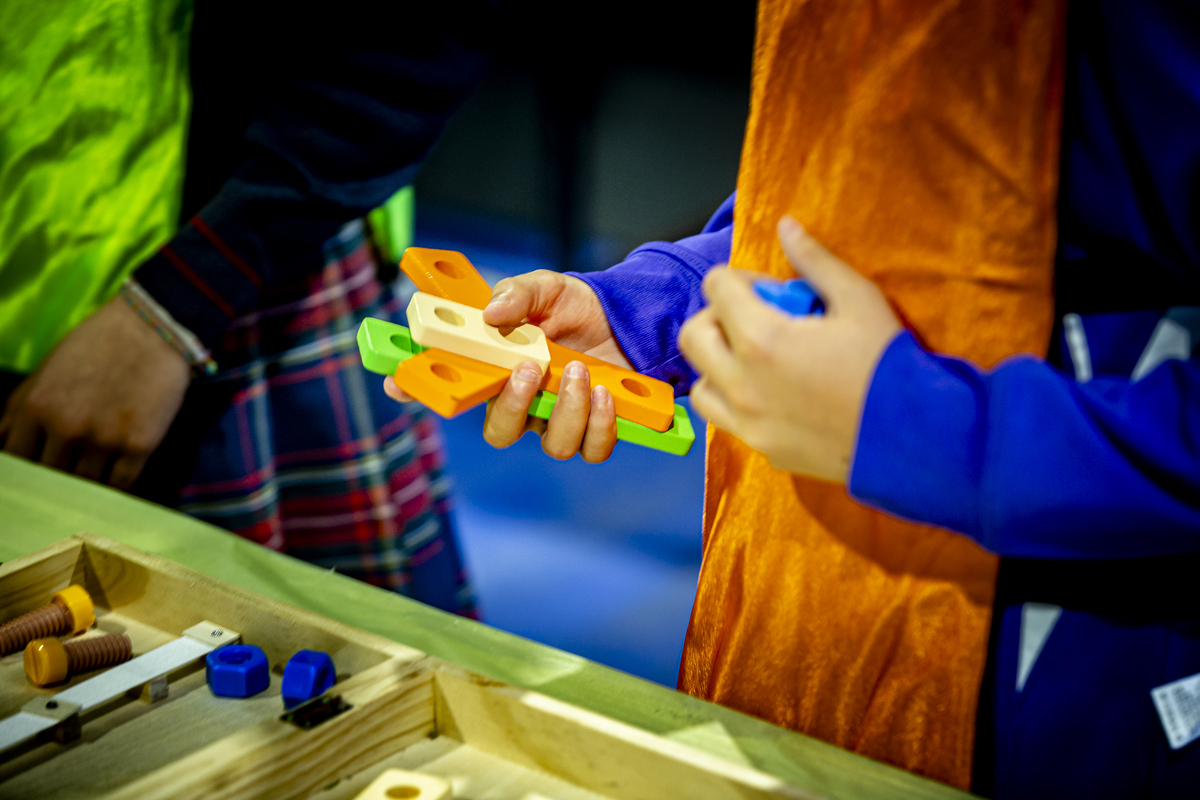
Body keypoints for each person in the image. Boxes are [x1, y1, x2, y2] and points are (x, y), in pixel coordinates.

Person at [387, 1, 1199, 796]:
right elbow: (852, 187)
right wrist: (641, 313)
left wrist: (915, 426)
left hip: (1064, 658)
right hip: (792, 604)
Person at [0, 1, 494, 614]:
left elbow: (419, 36)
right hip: (46, 299)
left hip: (232, 285)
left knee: (311, 656)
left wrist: (176, 306)